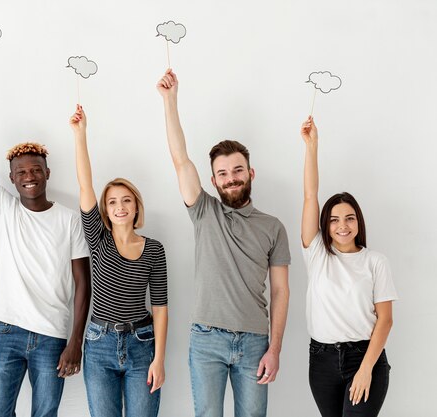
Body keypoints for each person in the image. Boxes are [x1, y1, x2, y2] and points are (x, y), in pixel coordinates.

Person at [0, 61, 91, 417]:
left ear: (47, 174)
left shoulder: (69, 219)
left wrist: (76, 341)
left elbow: (82, 283)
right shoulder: (4, 208)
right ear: (11, 179)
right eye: (21, 172)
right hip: (8, 333)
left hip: (52, 337)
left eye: (36, 170)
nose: (29, 176)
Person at [156, 69, 291, 417]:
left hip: (254, 343)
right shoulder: (204, 211)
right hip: (206, 341)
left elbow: (280, 293)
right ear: (214, 180)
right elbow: (179, 159)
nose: (231, 179)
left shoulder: (273, 227)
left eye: (237, 170)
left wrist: (274, 348)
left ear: (251, 173)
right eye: (223, 173)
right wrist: (170, 101)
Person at [70, 105, 168, 417]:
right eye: (112, 202)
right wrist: (80, 135)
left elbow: (161, 307)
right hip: (99, 343)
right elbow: (86, 186)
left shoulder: (154, 249)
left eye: (126, 200)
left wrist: (159, 359)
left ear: (136, 207)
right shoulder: (98, 238)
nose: (120, 206)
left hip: (142, 342)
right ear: (106, 210)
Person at [300, 116, 396, 417]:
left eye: (349, 218)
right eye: (334, 219)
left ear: (358, 222)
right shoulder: (316, 253)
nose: (343, 225)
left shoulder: (375, 261)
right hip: (322, 360)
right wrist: (312, 146)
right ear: (325, 226)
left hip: (364, 356)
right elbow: (310, 195)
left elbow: (385, 321)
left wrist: (366, 369)